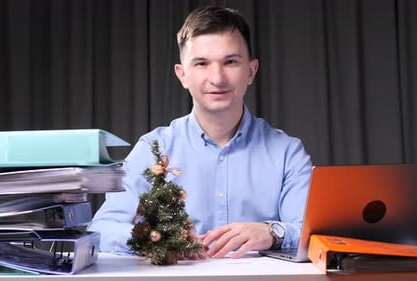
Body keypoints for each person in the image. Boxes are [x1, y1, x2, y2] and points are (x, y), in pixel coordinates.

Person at [88, 5, 313, 259]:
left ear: (250, 71)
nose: (217, 78)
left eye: (230, 62)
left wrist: (272, 232)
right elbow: (102, 229)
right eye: (202, 63)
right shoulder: (153, 149)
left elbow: (313, 233)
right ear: (182, 75)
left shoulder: (287, 153)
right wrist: (157, 238)